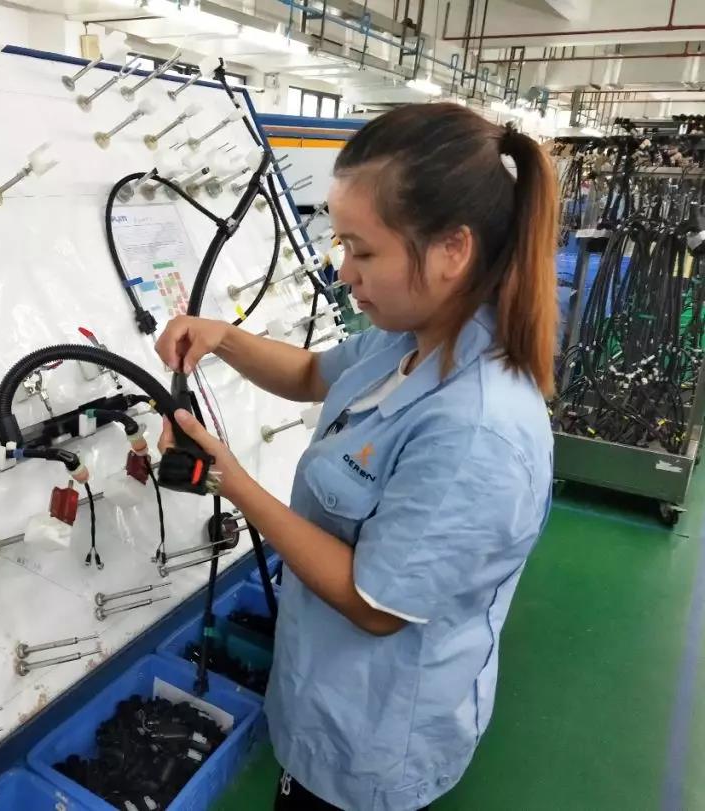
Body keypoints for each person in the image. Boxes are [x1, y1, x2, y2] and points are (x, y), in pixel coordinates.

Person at [155, 102, 557, 811]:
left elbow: (376, 605)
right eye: (341, 247)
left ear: (452, 250)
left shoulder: (478, 431)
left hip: (374, 734)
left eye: (363, 252)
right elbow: (313, 373)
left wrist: (230, 480)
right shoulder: (411, 336)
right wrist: (223, 337)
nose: (344, 273)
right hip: (326, 691)